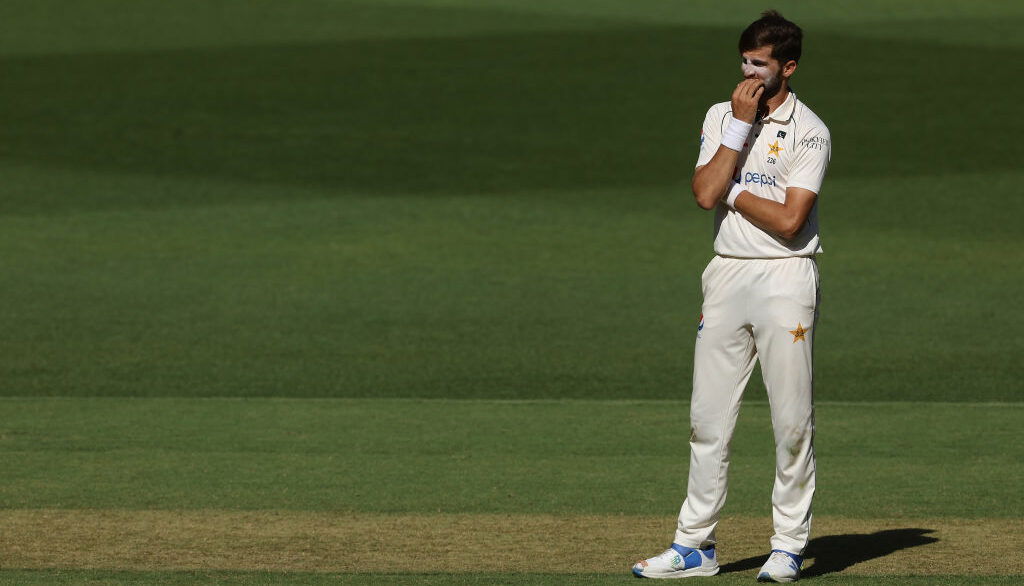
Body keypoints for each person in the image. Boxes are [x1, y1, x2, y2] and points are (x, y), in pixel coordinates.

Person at [632, 10, 831, 583]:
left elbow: (792, 219)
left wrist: (736, 193)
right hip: (725, 274)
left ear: (787, 68)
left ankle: (789, 545)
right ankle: (696, 546)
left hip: (785, 277)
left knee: (791, 422)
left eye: (760, 64)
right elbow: (702, 193)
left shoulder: (809, 129)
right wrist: (738, 130)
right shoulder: (722, 116)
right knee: (706, 419)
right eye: (744, 60)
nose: (747, 73)